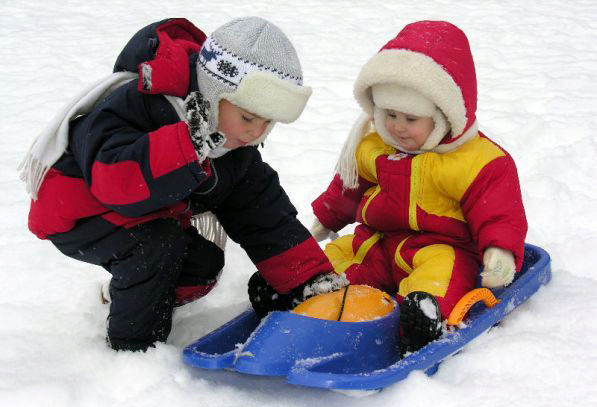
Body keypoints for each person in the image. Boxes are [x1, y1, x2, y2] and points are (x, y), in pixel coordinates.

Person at [20, 17, 340, 352]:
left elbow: (264, 216)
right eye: (248, 117)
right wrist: (184, 147)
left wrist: (309, 281)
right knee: (156, 246)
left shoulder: (228, 142)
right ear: (214, 94)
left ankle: (128, 294)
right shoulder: (142, 102)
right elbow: (115, 182)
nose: (256, 132)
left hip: (149, 207)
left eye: (267, 121)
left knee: (201, 265)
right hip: (80, 208)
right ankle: (134, 351)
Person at [310, 21, 528, 353]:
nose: (397, 127)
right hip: (378, 242)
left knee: (442, 277)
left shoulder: (477, 161)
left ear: (443, 116)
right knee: (337, 258)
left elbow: (498, 211)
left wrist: (499, 251)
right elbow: (349, 187)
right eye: (390, 114)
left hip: (441, 248)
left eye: (411, 119)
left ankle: (422, 319)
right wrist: (327, 217)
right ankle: (304, 292)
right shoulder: (374, 147)